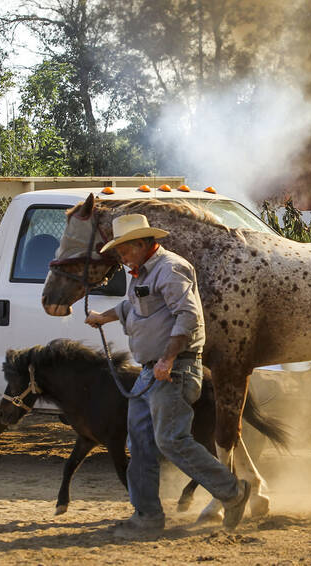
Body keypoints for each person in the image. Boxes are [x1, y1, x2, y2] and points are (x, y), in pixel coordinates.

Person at [85, 213, 250, 539]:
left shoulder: (171, 268)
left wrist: (168, 358)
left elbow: (187, 316)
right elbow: (132, 308)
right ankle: (146, 516)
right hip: (151, 372)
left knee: (169, 440)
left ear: (143, 243)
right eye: (118, 248)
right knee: (142, 444)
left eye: (125, 248)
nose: (121, 254)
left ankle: (232, 491)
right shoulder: (141, 274)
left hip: (173, 369)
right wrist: (102, 317)